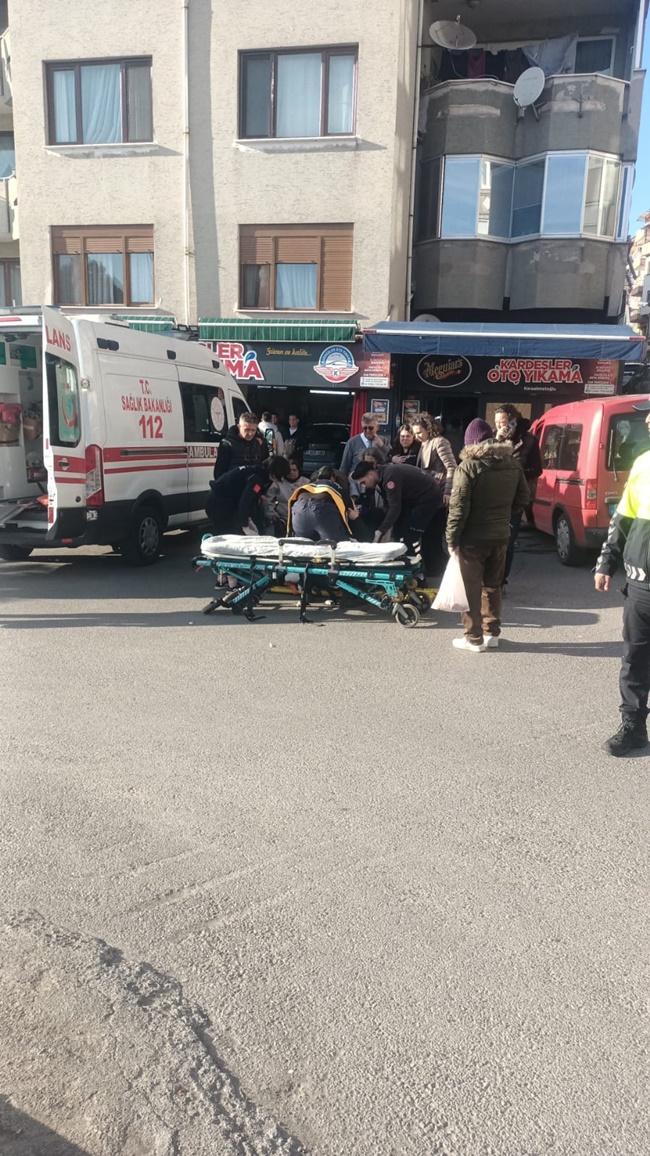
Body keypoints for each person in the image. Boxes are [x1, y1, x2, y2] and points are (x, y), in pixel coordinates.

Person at [595, 398, 650, 756]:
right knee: (634, 659)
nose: (648, 422)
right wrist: (606, 562)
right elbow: (623, 518)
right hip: (640, 583)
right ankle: (633, 727)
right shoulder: (643, 462)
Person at [446, 418, 528, 652]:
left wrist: (452, 539)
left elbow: (458, 507)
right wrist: (504, 516)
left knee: (470, 588)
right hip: (501, 535)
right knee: (493, 585)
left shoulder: (468, 466)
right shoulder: (512, 462)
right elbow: (523, 497)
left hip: (472, 538)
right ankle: (491, 633)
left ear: (470, 442)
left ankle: (473, 638)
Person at [493, 403, 543, 578]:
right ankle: (491, 579)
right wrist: (497, 441)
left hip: (516, 496)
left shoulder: (529, 440)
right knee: (493, 540)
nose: (499, 426)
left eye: (502, 422)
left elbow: (537, 469)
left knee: (508, 540)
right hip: (494, 496)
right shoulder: (493, 439)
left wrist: (517, 473)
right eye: (496, 423)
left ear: (513, 421)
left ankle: (502, 580)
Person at [351, 459, 440, 555]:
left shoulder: (390, 477)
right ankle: (407, 557)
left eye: (363, 482)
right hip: (414, 499)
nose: (364, 486)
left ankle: (413, 559)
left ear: (370, 475)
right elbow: (389, 505)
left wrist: (381, 530)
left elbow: (395, 507)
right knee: (398, 532)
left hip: (427, 497)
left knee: (409, 536)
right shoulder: (381, 478)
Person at [411, 412, 457, 578]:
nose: (416, 437)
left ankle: (441, 570)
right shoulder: (426, 443)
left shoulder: (439, 442)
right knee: (429, 536)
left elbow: (452, 466)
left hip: (439, 495)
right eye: (415, 433)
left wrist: (448, 492)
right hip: (430, 494)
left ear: (428, 429)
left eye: (419, 432)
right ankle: (435, 569)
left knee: (433, 536)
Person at [206, 456, 291, 535]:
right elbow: (245, 501)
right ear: (274, 472)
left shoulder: (258, 471)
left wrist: (248, 519)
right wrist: (245, 525)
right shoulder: (256, 478)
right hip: (219, 502)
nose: (279, 479)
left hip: (222, 499)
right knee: (228, 534)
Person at [288, 465, 359, 542]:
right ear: (333, 477)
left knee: (303, 545)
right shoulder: (335, 485)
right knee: (336, 545)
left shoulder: (307, 486)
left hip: (299, 510)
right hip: (322, 510)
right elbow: (351, 511)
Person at [213, 411, 268, 480]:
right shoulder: (227, 444)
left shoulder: (258, 443)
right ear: (239, 427)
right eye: (247, 430)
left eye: (253, 430)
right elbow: (219, 473)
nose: (250, 433)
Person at [264, 457, 308, 535]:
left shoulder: (306, 482)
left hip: (301, 520)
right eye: (289, 470)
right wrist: (273, 516)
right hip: (282, 520)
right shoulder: (278, 483)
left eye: (294, 470)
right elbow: (268, 500)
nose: (292, 472)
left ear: (299, 470)